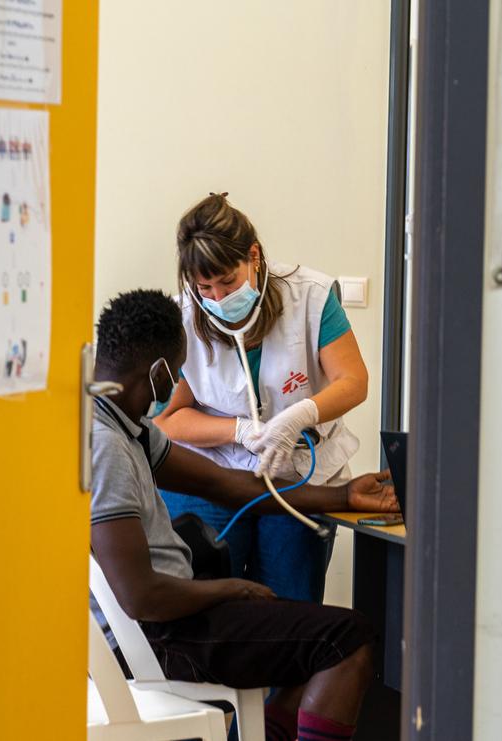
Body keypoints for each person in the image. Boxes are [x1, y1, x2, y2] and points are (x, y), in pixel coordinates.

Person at [90, 289, 397, 741]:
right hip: (157, 637)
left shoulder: (124, 426)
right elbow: (140, 598)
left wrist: (343, 495)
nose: (175, 382)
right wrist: (230, 588)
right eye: (175, 373)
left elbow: (224, 483)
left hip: (165, 623)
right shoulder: (106, 445)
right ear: (157, 372)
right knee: (347, 640)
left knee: (306, 638)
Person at [155, 192, 369, 603]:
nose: (218, 298)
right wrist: (239, 431)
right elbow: (169, 418)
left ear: (253, 256)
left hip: (299, 474)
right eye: (206, 287)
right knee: (216, 608)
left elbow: (353, 380)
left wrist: (299, 416)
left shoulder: (311, 296)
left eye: (228, 282)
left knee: (291, 607)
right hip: (217, 474)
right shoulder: (184, 317)